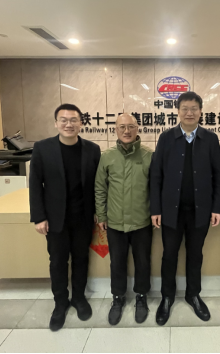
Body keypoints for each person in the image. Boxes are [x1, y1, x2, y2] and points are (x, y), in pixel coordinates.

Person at [150, 91, 220, 326]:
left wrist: (217, 207)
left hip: (200, 211)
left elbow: (219, 176)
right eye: (185, 108)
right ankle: (167, 297)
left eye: (194, 108)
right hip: (170, 211)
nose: (189, 113)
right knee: (169, 255)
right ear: (178, 111)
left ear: (201, 111)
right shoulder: (166, 138)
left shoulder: (210, 139)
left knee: (195, 254)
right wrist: (155, 209)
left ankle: (193, 295)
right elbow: (156, 176)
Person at [29, 104, 101, 332]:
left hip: (83, 217)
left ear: (81, 123)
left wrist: (99, 211)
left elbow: (98, 184)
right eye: (64, 120)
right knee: (58, 262)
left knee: (81, 259)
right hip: (55, 219)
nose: (69, 124)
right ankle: (60, 303)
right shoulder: (43, 148)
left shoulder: (92, 149)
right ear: (56, 123)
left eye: (73, 120)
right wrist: (39, 217)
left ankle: (79, 298)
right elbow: (35, 184)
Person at [95, 114, 154, 326]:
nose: (126, 131)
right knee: (117, 262)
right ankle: (118, 298)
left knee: (143, 261)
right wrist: (101, 215)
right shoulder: (107, 156)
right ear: (116, 130)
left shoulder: (148, 155)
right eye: (122, 127)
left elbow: (156, 188)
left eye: (130, 126)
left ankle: (141, 297)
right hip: (115, 222)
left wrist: (156, 213)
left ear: (137, 129)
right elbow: (100, 188)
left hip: (142, 221)